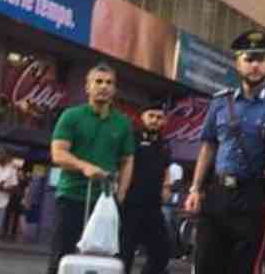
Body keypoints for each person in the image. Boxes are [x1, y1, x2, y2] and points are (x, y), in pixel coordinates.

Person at [184, 29, 265, 274]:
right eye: (249, 59)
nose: (255, 65)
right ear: (238, 62)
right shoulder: (220, 102)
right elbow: (209, 145)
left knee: (243, 267)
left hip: (255, 197)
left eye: (261, 59)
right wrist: (195, 189)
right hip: (218, 193)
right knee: (205, 265)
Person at [47, 63, 135, 274]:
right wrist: (84, 166)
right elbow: (58, 153)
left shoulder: (122, 123)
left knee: (103, 259)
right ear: (87, 87)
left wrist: (121, 194)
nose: (104, 87)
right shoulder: (71, 116)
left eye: (109, 83)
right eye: (98, 81)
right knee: (63, 256)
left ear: (114, 89)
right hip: (71, 197)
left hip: (105, 203)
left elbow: (127, 160)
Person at [119, 101, 173, 274]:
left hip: (153, 206)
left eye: (159, 117)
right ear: (142, 117)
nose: (155, 120)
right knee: (124, 254)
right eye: (151, 116)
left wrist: (166, 186)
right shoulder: (131, 138)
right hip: (130, 204)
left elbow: (166, 168)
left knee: (162, 252)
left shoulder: (164, 144)